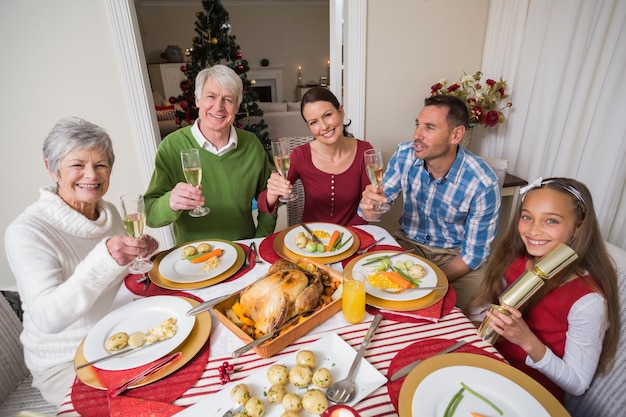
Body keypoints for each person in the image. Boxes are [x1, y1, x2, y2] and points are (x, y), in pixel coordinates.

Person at [4, 117, 159, 406]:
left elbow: (118, 274)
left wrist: (139, 252)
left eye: (100, 165)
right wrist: (106, 258)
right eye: (77, 165)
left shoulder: (109, 211)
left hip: (118, 334)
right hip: (67, 362)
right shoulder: (26, 232)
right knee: (144, 405)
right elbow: (47, 317)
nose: (91, 175)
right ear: (52, 169)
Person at [468, 177, 619, 402]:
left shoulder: (588, 300)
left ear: (578, 228)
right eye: (527, 217)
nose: (533, 230)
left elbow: (577, 383)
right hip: (489, 364)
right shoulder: (516, 260)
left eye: (551, 221)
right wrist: (480, 318)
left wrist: (526, 340)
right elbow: (485, 307)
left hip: (529, 392)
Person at [359, 94, 501, 309]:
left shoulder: (482, 183)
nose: (417, 135)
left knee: (452, 312)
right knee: (374, 293)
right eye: (418, 125)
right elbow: (377, 210)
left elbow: (474, 254)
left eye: (429, 128)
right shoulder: (404, 154)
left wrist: (429, 280)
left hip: (455, 257)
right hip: (408, 246)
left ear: (456, 135)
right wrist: (370, 208)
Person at [144, 64, 277, 244]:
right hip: (193, 255)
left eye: (228, 100)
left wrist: (259, 242)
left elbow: (268, 200)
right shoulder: (172, 146)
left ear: (237, 107)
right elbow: (150, 215)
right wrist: (170, 202)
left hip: (242, 251)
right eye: (211, 96)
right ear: (198, 99)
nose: (219, 107)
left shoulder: (251, 144)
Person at [258, 87, 373, 226]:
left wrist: (346, 238)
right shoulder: (301, 155)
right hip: (312, 239)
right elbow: (265, 204)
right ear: (309, 127)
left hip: (353, 237)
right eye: (314, 122)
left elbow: (368, 209)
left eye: (327, 115)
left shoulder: (365, 151)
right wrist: (272, 193)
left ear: (341, 112)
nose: (324, 126)